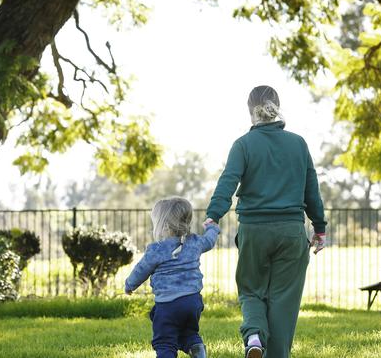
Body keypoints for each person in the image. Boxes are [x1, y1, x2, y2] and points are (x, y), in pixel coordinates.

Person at [205, 85, 327, 358]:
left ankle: (255, 335)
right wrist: (320, 228)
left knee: (250, 290)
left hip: (254, 232)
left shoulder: (243, 145)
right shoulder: (298, 143)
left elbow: (228, 182)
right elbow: (312, 191)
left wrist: (213, 215)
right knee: (284, 303)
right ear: (277, 107)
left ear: (251, 112)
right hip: (291, 233)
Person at [125, 196, 221, 358]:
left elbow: (141, 270)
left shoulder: (157, 249)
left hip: (168, 305)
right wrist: (212, 228)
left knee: (164, 342)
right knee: (189, 331)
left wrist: (129, 285)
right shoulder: (195, 242)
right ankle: (196, 347)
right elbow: (210, 241)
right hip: (193, 301)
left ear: (164, 226)